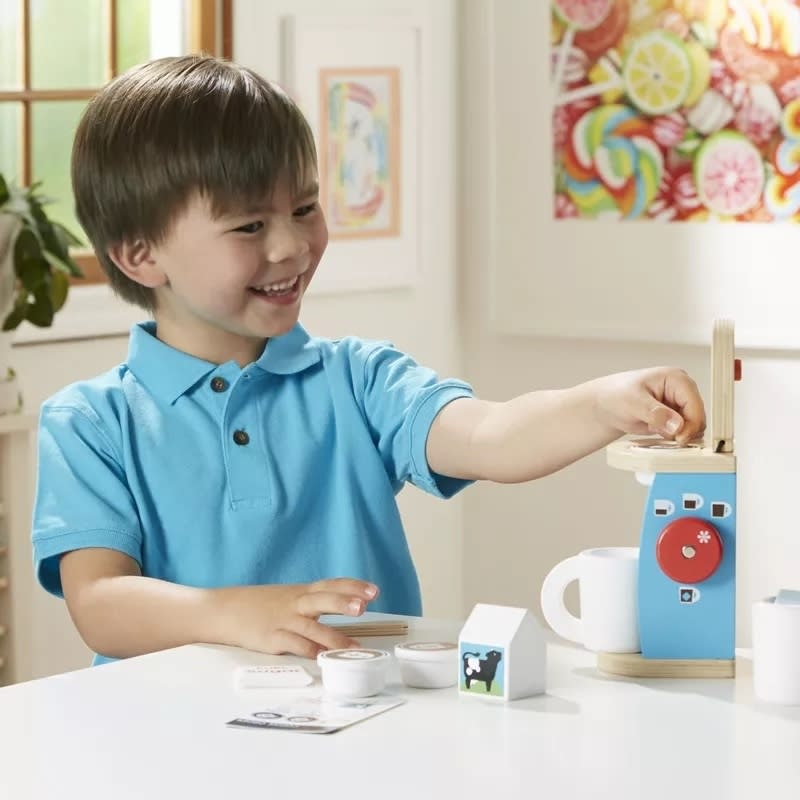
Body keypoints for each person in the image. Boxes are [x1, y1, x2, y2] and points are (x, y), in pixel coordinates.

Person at [31, 55, 705, 665]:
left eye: (304, 207)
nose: (291, 245)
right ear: (140, 253)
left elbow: (490, 435)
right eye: (250, 225)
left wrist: (601, 403)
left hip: (365, 737)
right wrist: (234, 614)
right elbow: (102, 605)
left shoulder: (358, 379)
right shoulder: (89, 422)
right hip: (172, 752)